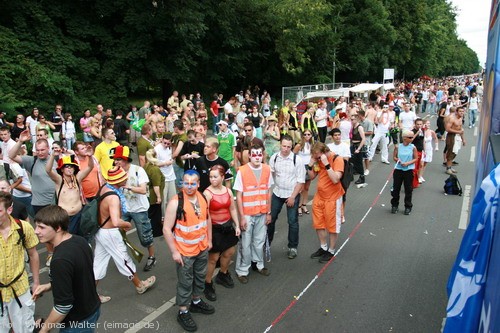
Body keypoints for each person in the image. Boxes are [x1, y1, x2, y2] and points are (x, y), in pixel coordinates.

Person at [33, 205, 100, 333]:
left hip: (77, 322)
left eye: (41, 227)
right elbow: (78, 275)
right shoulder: (81, 241)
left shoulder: (60, 260)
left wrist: (44, 330)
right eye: (36, 226)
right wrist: (50, 285)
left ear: (58, 228)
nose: (36, 231)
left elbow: (63, 307)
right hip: (93, 308)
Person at [93, 166, 156, 301]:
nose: (127, 178)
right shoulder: (114, 197)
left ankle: (91, 295)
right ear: (119, 181)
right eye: (124, 177)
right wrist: (127, 224)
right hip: (110, 233)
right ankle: (140, 285)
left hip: (101, 231)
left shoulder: (105, 188)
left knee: (99, 263)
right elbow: (116, 221)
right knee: (124, 260)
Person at [163, 170, 215, 332]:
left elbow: (207, 219)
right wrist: (174, 252)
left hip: (201, 248)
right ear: (182, 183)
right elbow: (166, 229)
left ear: (198, 184)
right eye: (186, 183)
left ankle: (196, 302)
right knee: (185, 282)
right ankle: (183, 311)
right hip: (184, 251)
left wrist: (209, 240)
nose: (190, 186)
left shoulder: (203, 197)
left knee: (200, 277)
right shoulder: (175, 202)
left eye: (193, 183)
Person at [9, 130, 56, 266]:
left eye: (43, 150)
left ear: (48, 149)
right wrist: (20, 141)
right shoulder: (32, 161)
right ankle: (50, 254)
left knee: (58, 228)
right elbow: (11, 155)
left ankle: (59, 252)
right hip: (39, 203)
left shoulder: (55, 159)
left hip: (55, 201)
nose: (41, 152)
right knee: (45, 231)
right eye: (38, 150)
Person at [111, 145, 157, 271]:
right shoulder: (116, 171)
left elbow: (143, 190)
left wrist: (126, 187)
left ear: (126, 159)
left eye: (119, 159)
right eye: (115, 159)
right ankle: (123, 258)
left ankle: (152, 257)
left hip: (139, 209)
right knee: (119, 234)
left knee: (145, 236)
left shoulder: (138, 170)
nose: (116, 162)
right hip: (124, 209)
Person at [0, 191, 40, 333]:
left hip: (20, 287)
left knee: (24, 329)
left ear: (9, 209)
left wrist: (36, 282)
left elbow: (33, 254)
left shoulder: (23, 228)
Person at [234, 145, 273, 283]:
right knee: (245, 243)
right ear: (249, 156)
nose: (257, 157)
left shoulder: (267, 170)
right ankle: (242, 270)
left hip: (262, 212)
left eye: (259, 155)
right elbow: (238, 195)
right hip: (248, 214)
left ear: (262, 155)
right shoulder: (242, 171)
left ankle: (259, 264)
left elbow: (268, 192)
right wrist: (242, 217)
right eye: (254, 155)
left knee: (259, 241)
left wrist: (268, 212)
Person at [202, 165, 241, 302]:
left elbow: (233, 209)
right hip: (215, 229)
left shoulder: (228, 191)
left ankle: (223, 274)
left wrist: (236, 225)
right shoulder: (207, 194)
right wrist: (208, 236)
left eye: (215, 176)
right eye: (210, 176)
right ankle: (207, 283)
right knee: (213, 259)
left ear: (222, 177)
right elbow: (205, 216)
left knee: (229, 253)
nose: (212, 179)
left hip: (227, 226)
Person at [268, 135, 305, 259]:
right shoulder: (274, 158)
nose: (286, 149)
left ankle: (292, 247)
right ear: (280, 145)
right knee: (270, 219)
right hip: (277, 193)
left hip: (292, 193)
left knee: (292, 221)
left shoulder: (297, 160)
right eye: (284, 146)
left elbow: (301, 181)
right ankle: (267, 243)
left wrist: (293, 197)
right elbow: (270, 176)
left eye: (288, 147)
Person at [307, 142, 344, 263]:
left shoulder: (337, 159)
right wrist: (310, 166)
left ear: (323, 152)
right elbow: (312, 177)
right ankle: (323, 247)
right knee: (319, 224)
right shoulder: (318, 160)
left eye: (317, 156)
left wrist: (327, 164)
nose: (316, 158)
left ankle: (331, 250)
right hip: (319, 197)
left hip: (333, 198)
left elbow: (335, 179)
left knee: (332, 225)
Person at [391, 130, 418, 215]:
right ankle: (394, 205)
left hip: (408, 170)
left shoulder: (413, 147)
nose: (412, 138)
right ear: (405, 138)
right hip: (398, 170)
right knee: (396, 189)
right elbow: (394, 157)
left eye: (412, 137)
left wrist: (407, 163)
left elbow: (415, 158)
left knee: (408, 189)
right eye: (410, 137)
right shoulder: (398, 147)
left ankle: (408, 206)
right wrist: (398, 161)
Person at [143, 150, 165, 237]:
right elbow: (156, 185)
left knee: (150, 214)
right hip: (153, 195)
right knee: (156, 215)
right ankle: (156, 231)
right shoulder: (155, 169)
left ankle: (149, 230)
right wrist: (159, 197)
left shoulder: (146, 166)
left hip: (148, 194)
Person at [293, 129, 314, 216]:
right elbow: (293, 155)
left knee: (306, 188)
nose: (307, 136)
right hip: (301, 167)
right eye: (305, 134)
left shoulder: (311, 145)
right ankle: (298, 206)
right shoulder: (299, 145)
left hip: (309, 167)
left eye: (308, 134)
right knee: (300, 188)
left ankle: (304, 205)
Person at [445, 107, 466, 175]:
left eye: (463, 111)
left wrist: (463, 139)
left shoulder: (460, 119)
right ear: (456, 112)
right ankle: (448, 168)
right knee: (451, 152)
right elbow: (447, 129)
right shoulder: (452, 119)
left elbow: (461, 130)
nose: (462, 113)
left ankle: (450, 167)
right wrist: (458, 132)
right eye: (460, 111)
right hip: (451, 136)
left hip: (457, 136)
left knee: (455, 152)